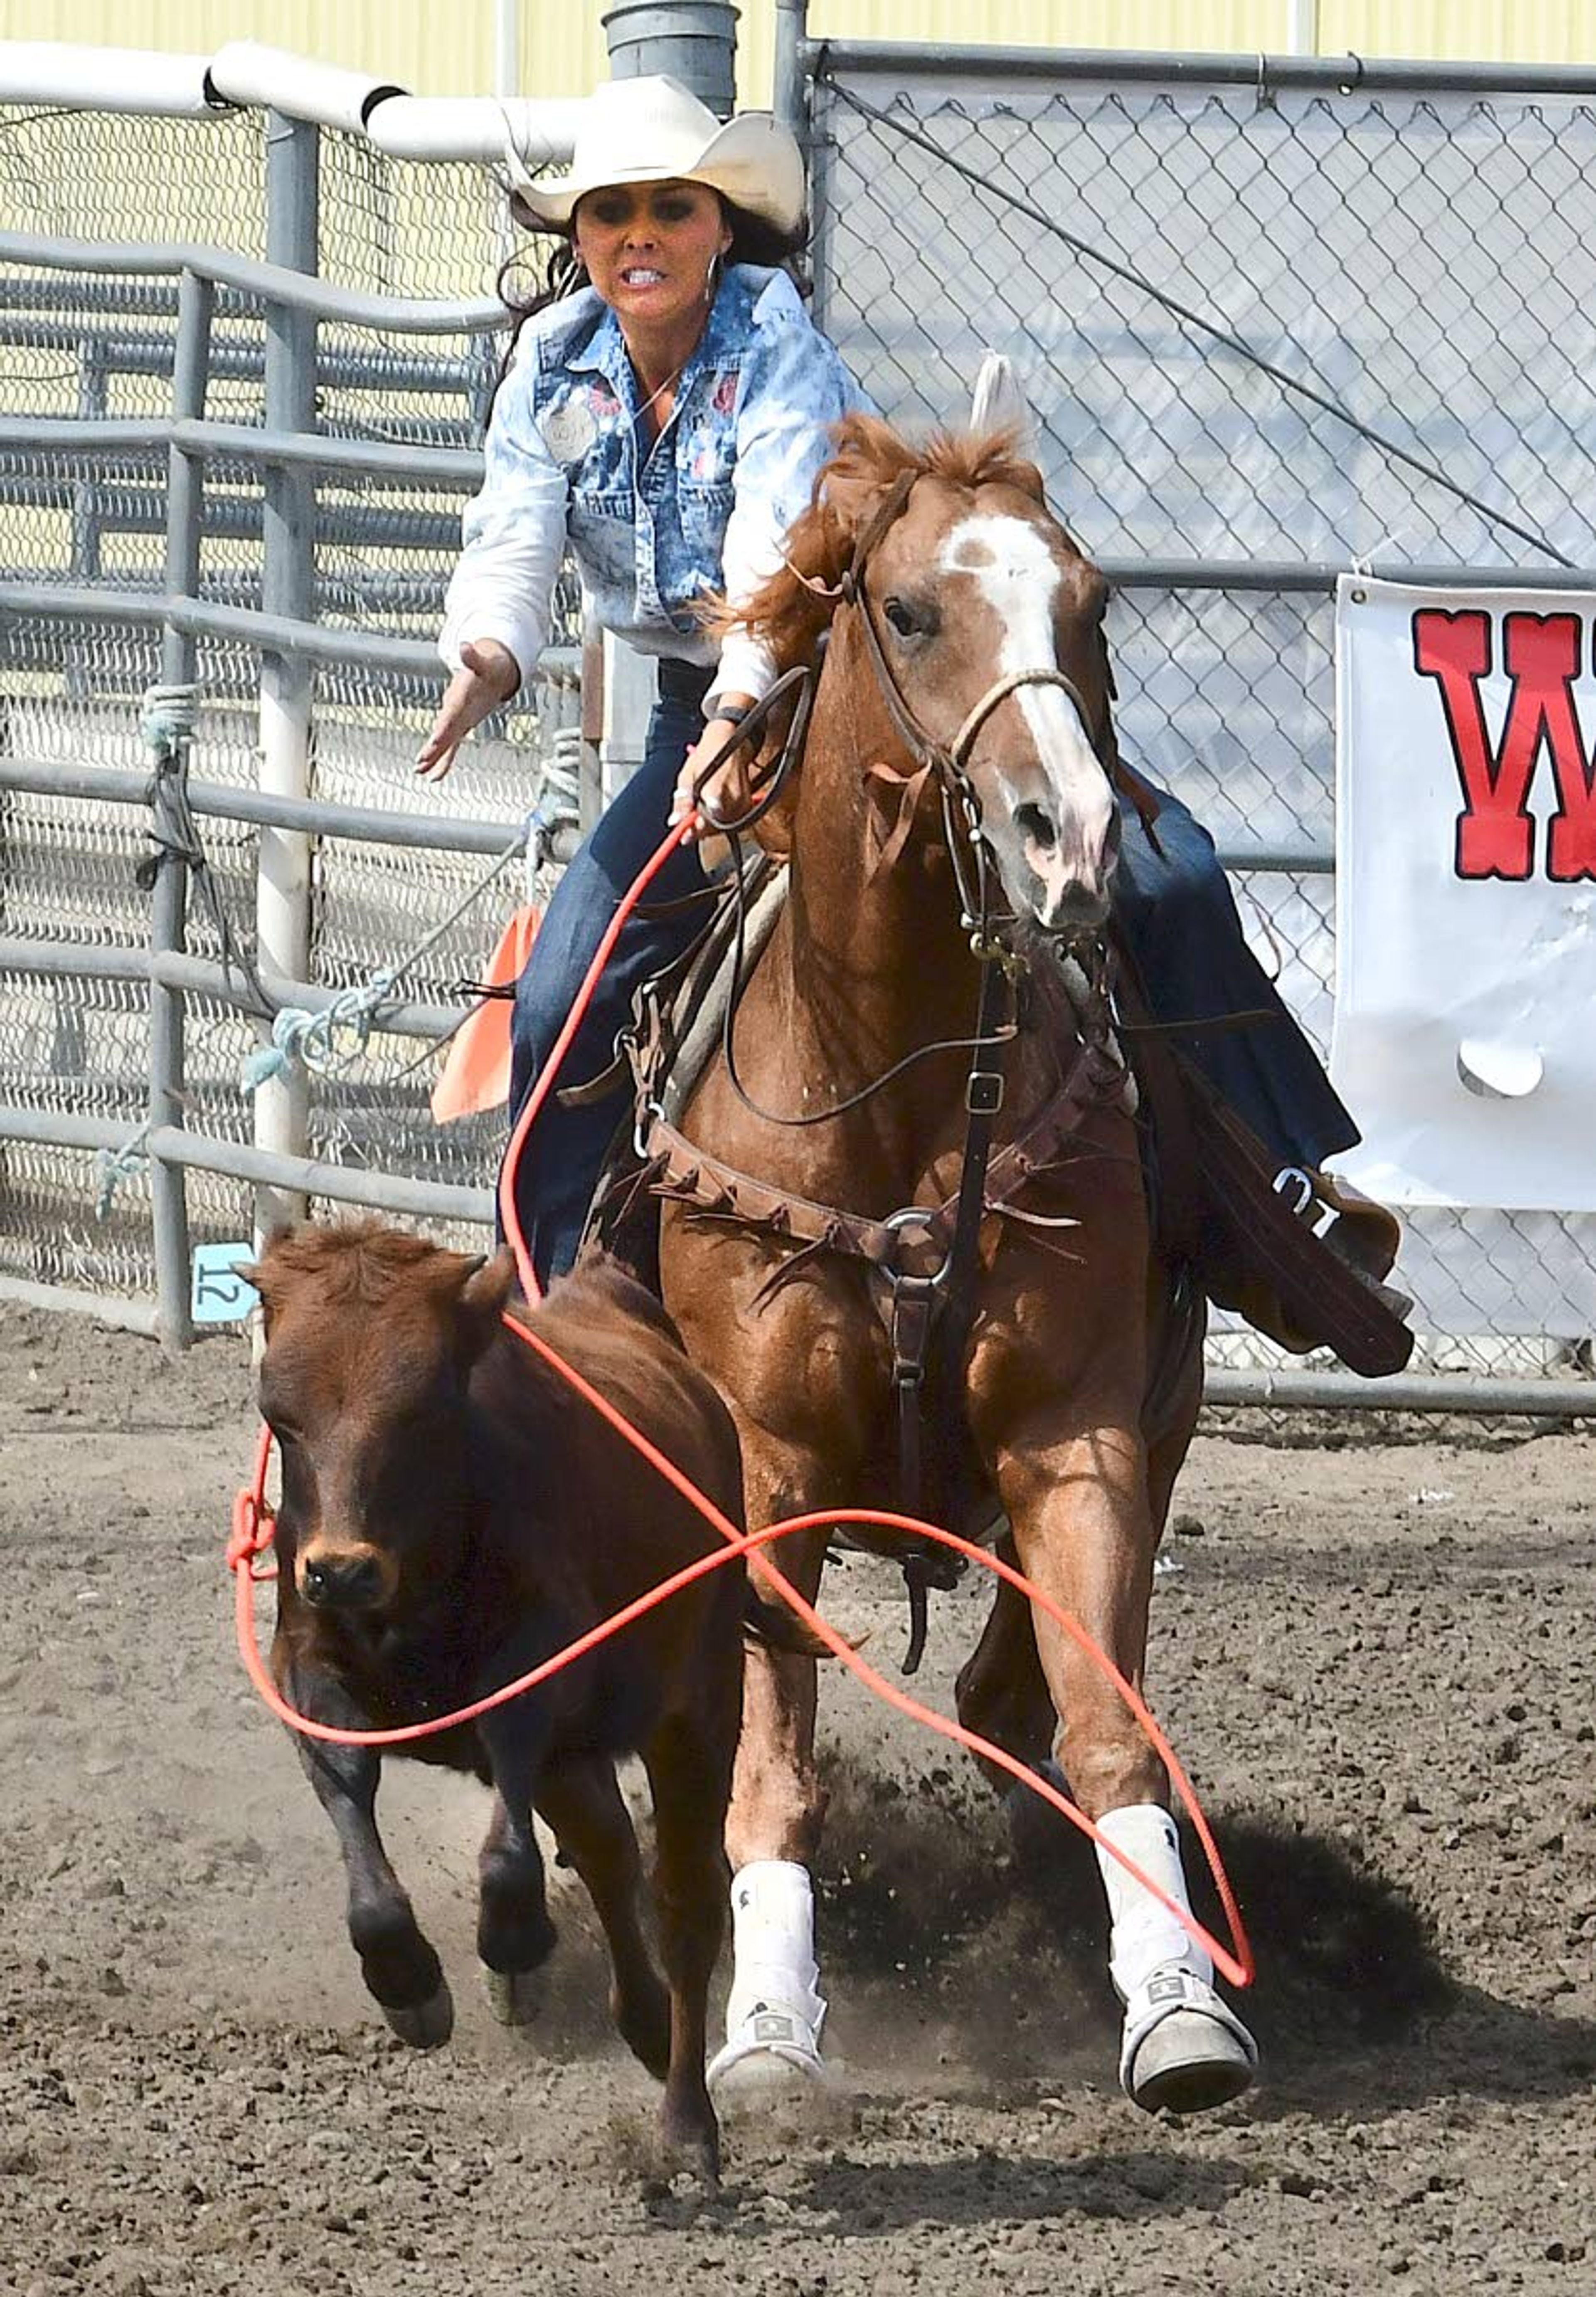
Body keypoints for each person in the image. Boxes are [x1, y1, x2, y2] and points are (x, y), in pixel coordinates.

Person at [419, 73, 865, 1285]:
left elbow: (776, 541)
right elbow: (515, 530)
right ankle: (552, 1293)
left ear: (723, 228)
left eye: (673, 209)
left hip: (850, 696)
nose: (642, 238)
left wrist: (739, 705)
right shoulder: (553, 366)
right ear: (581, 239)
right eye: (613, 214)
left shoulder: (776, 343)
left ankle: (1254, 1188)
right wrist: (489, 656)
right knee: (565, 985)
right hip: (698, 713)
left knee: (1120, 891)